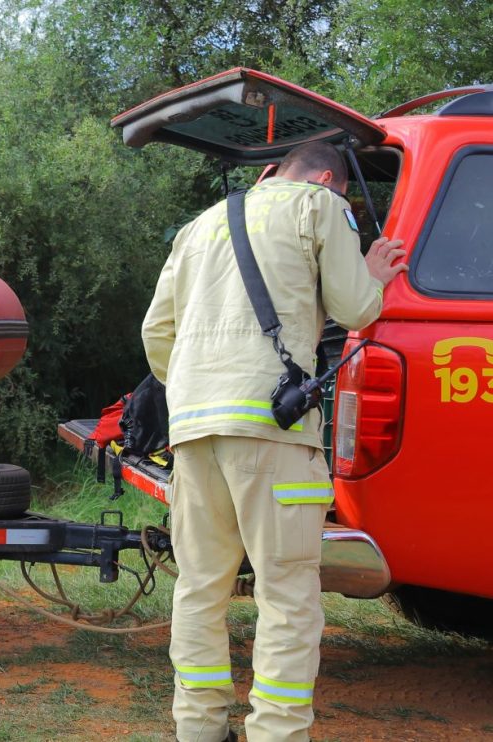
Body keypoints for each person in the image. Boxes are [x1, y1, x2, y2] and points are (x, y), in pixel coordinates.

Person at [141, 141, 407, 742]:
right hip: (272, 434)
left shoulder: (201, 224)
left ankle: (199, 728)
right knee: (287, 595)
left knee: (200, 588)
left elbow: (157, 332)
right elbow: (356, 307)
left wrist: (197, 391)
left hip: (193, 430)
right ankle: (277, 733)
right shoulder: (321, 205)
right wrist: (371, 271)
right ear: (327, 179)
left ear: (270, 172)